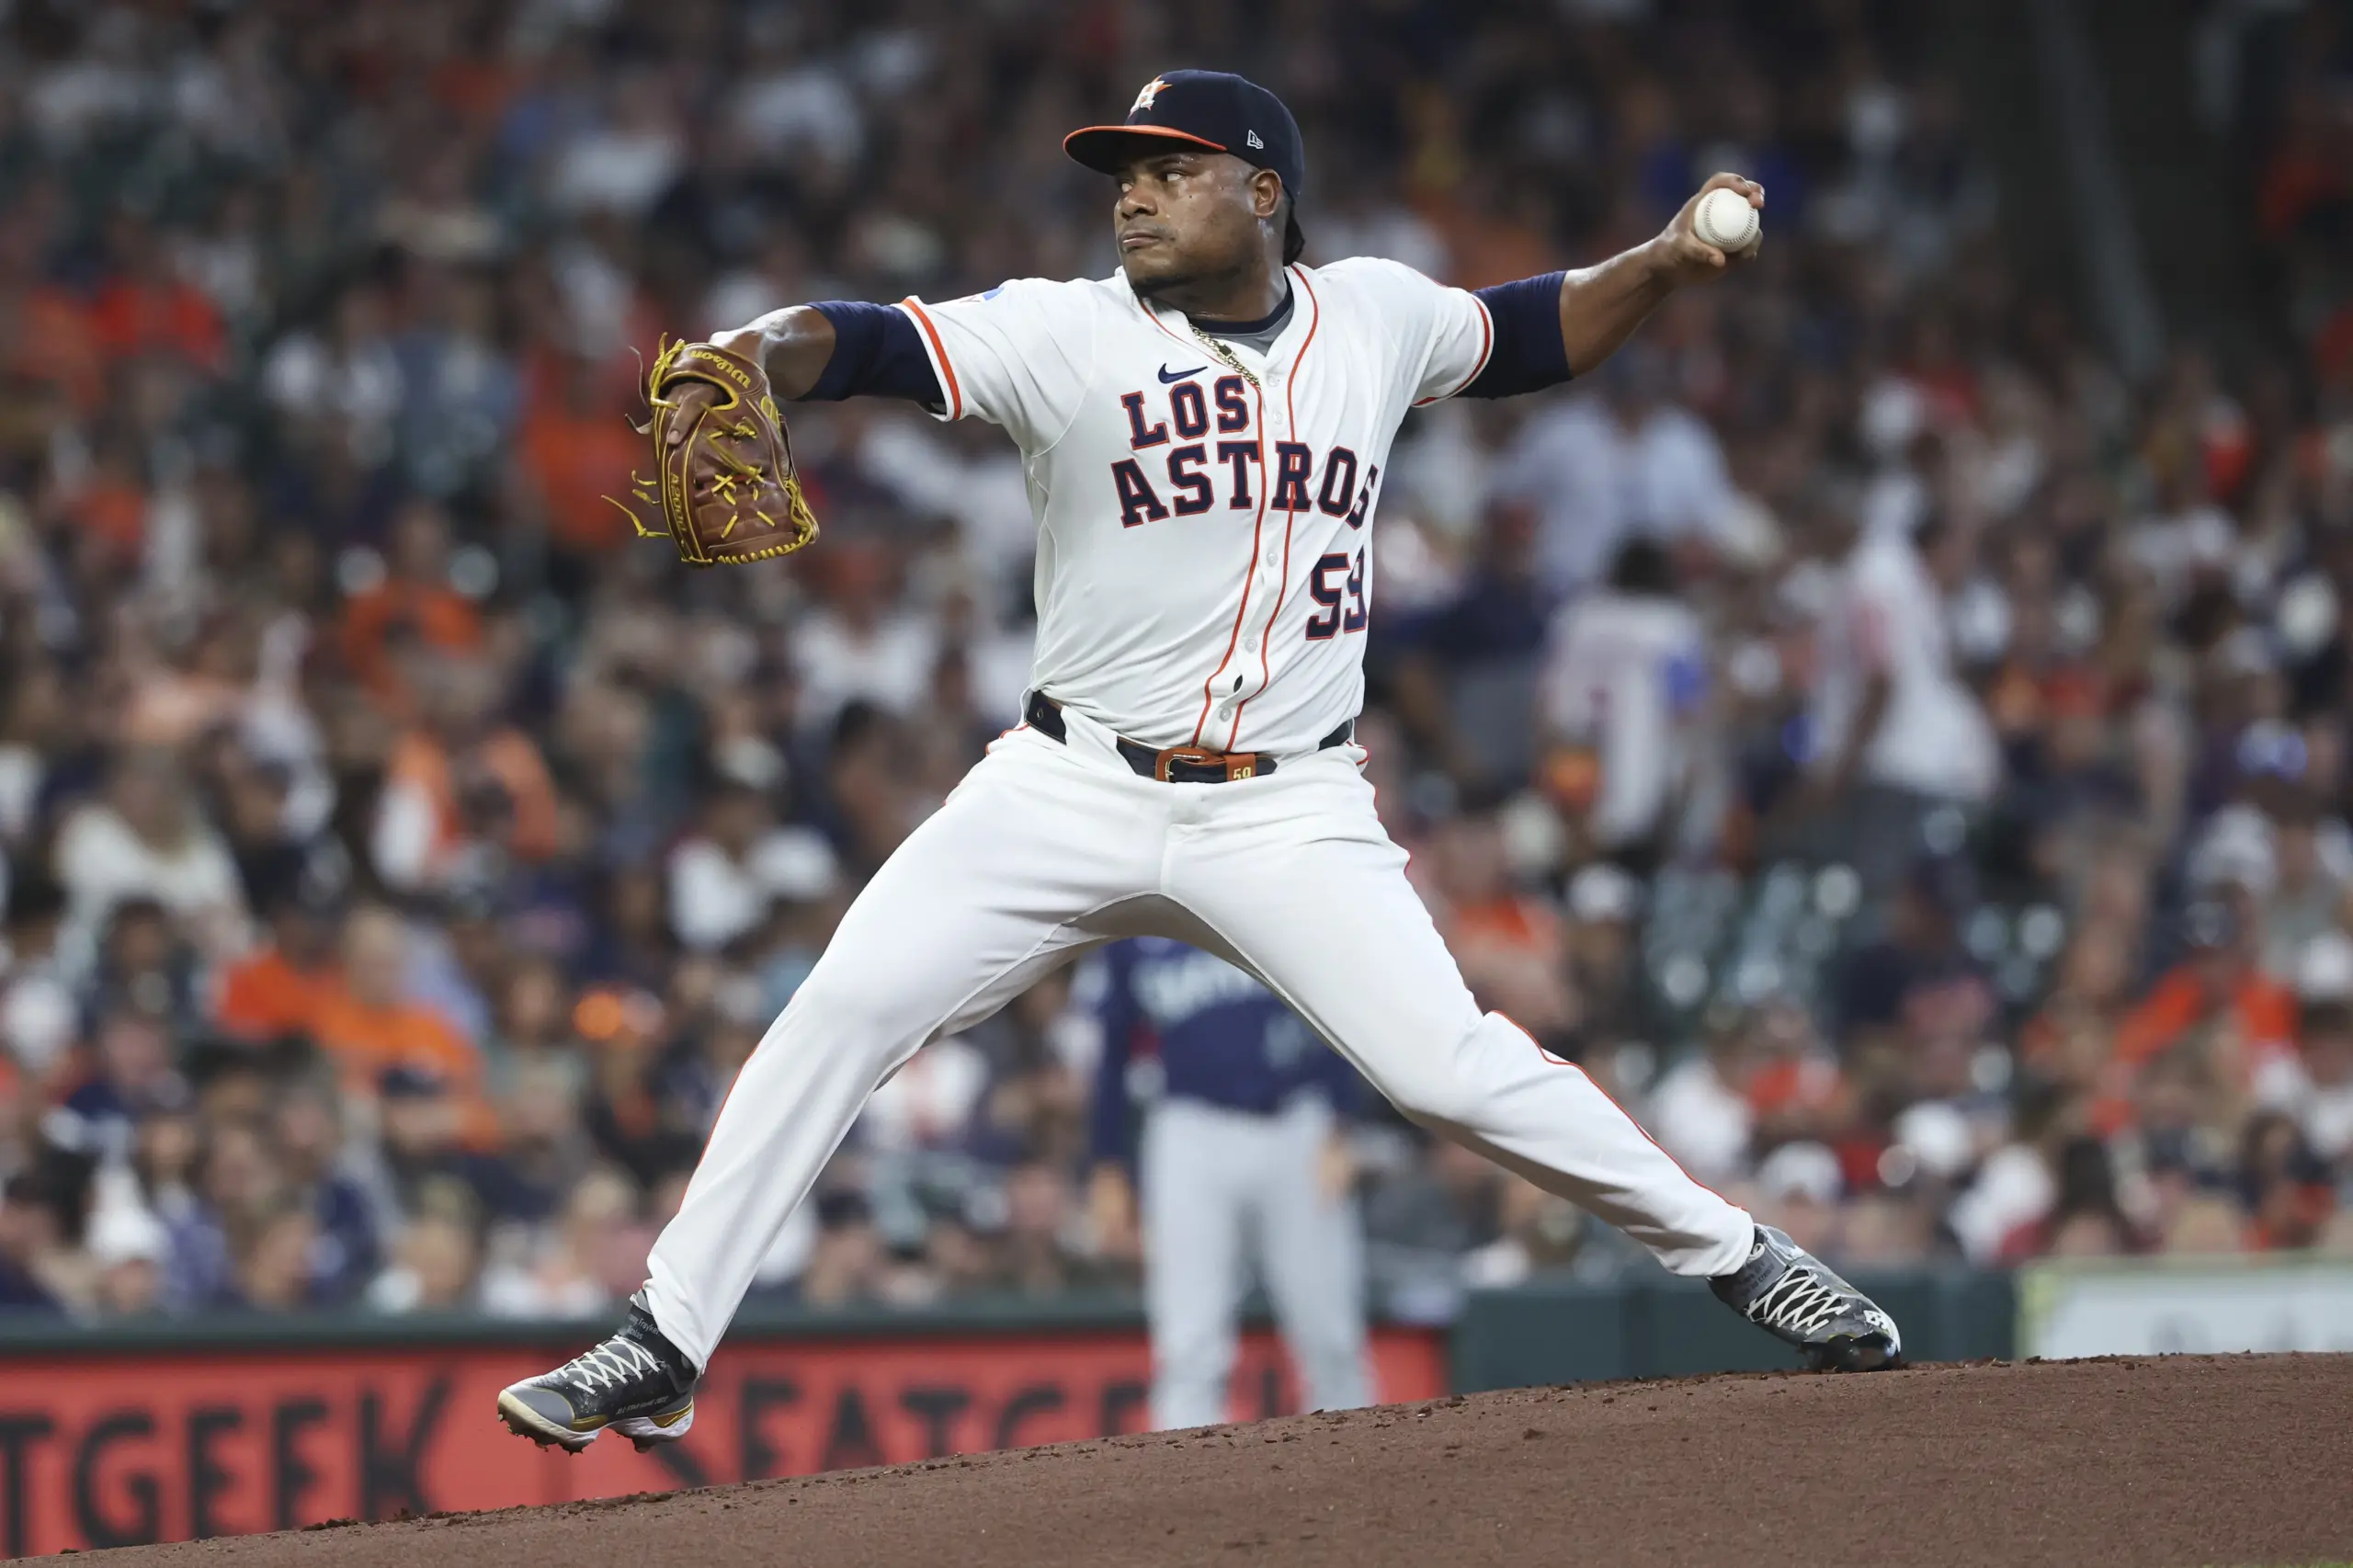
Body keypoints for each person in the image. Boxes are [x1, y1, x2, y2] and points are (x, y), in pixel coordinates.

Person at [496, 69, 1900, 1455]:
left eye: (1171, 170)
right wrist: (751, 348)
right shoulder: (1062, 332)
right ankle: (668, 1337)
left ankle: (1741, 1254)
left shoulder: (1375, 314)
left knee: (1450, 1070)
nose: (1135, 197)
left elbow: (1528, 330)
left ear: (1265, 193)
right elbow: (857, 341)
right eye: (1126, 174)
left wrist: (1661, 260)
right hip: (1067, 784)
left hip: (1286, 805)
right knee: (842, 1007)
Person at [1086, 936, 1370, 1429]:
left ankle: (1365, 1473)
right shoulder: (1139, 920)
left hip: (1298, 1122)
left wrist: (1340, 1117)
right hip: (1191, 1129)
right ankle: (1180, 1485)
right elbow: (1113, 1049)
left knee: (1330, 1333)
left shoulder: (1272, 882)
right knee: (1189, 1341)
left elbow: (1333, 1002)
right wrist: (1108, 1161)